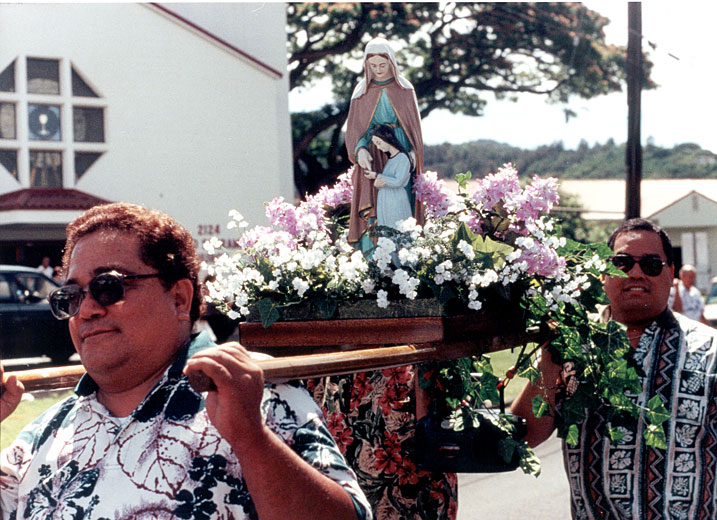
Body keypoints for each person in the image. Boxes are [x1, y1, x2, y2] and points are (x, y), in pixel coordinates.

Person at [0, 202, 371, 520]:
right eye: (71, 296)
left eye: (108, 286)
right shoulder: (40, 437)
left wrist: (252, 440)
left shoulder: (253, 390)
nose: (88, 310)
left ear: (179, 298)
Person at [512, 218, 717, 518]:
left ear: (670, 275)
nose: (636, 273)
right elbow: (524, 436)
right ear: (604, 273)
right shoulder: (572, 348)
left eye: (652, 264)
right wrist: (549, 358)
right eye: (623, 262)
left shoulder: (716, 351)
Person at [345, 36, 424, 251]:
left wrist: (413, 152)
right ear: (366, 66)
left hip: (400, 151)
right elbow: (355, 130)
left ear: (391, 63)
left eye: (382, 64)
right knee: (373, 202)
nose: (378, 70)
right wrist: (360, 149)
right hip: (373, 152)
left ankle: (403, 255)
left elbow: (413, 127)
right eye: (373, 66)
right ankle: (374, 255)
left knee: (400, 197)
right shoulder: (361, 93)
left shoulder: (404, 90)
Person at [363, 124, 413, 229]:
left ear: (387, 138)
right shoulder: (391, 160)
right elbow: (386, 180)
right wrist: (377, 181)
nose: (378, 147)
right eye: (375, 144)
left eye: (378, 143)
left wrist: (376, 176)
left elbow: (398, 181)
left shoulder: (402, 158)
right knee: (387, 230)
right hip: (386, 200)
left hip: (395, 200)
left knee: (397, 229)